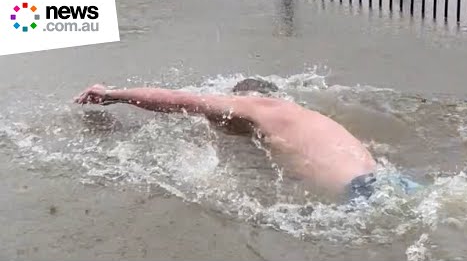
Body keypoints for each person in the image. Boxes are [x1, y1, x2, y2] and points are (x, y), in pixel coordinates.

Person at [74, 78, 379, 202]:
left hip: (359, 194)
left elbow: (176, 100)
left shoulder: (257, 107)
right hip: (385, 179)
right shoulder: (303, 117)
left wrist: (114, 94)